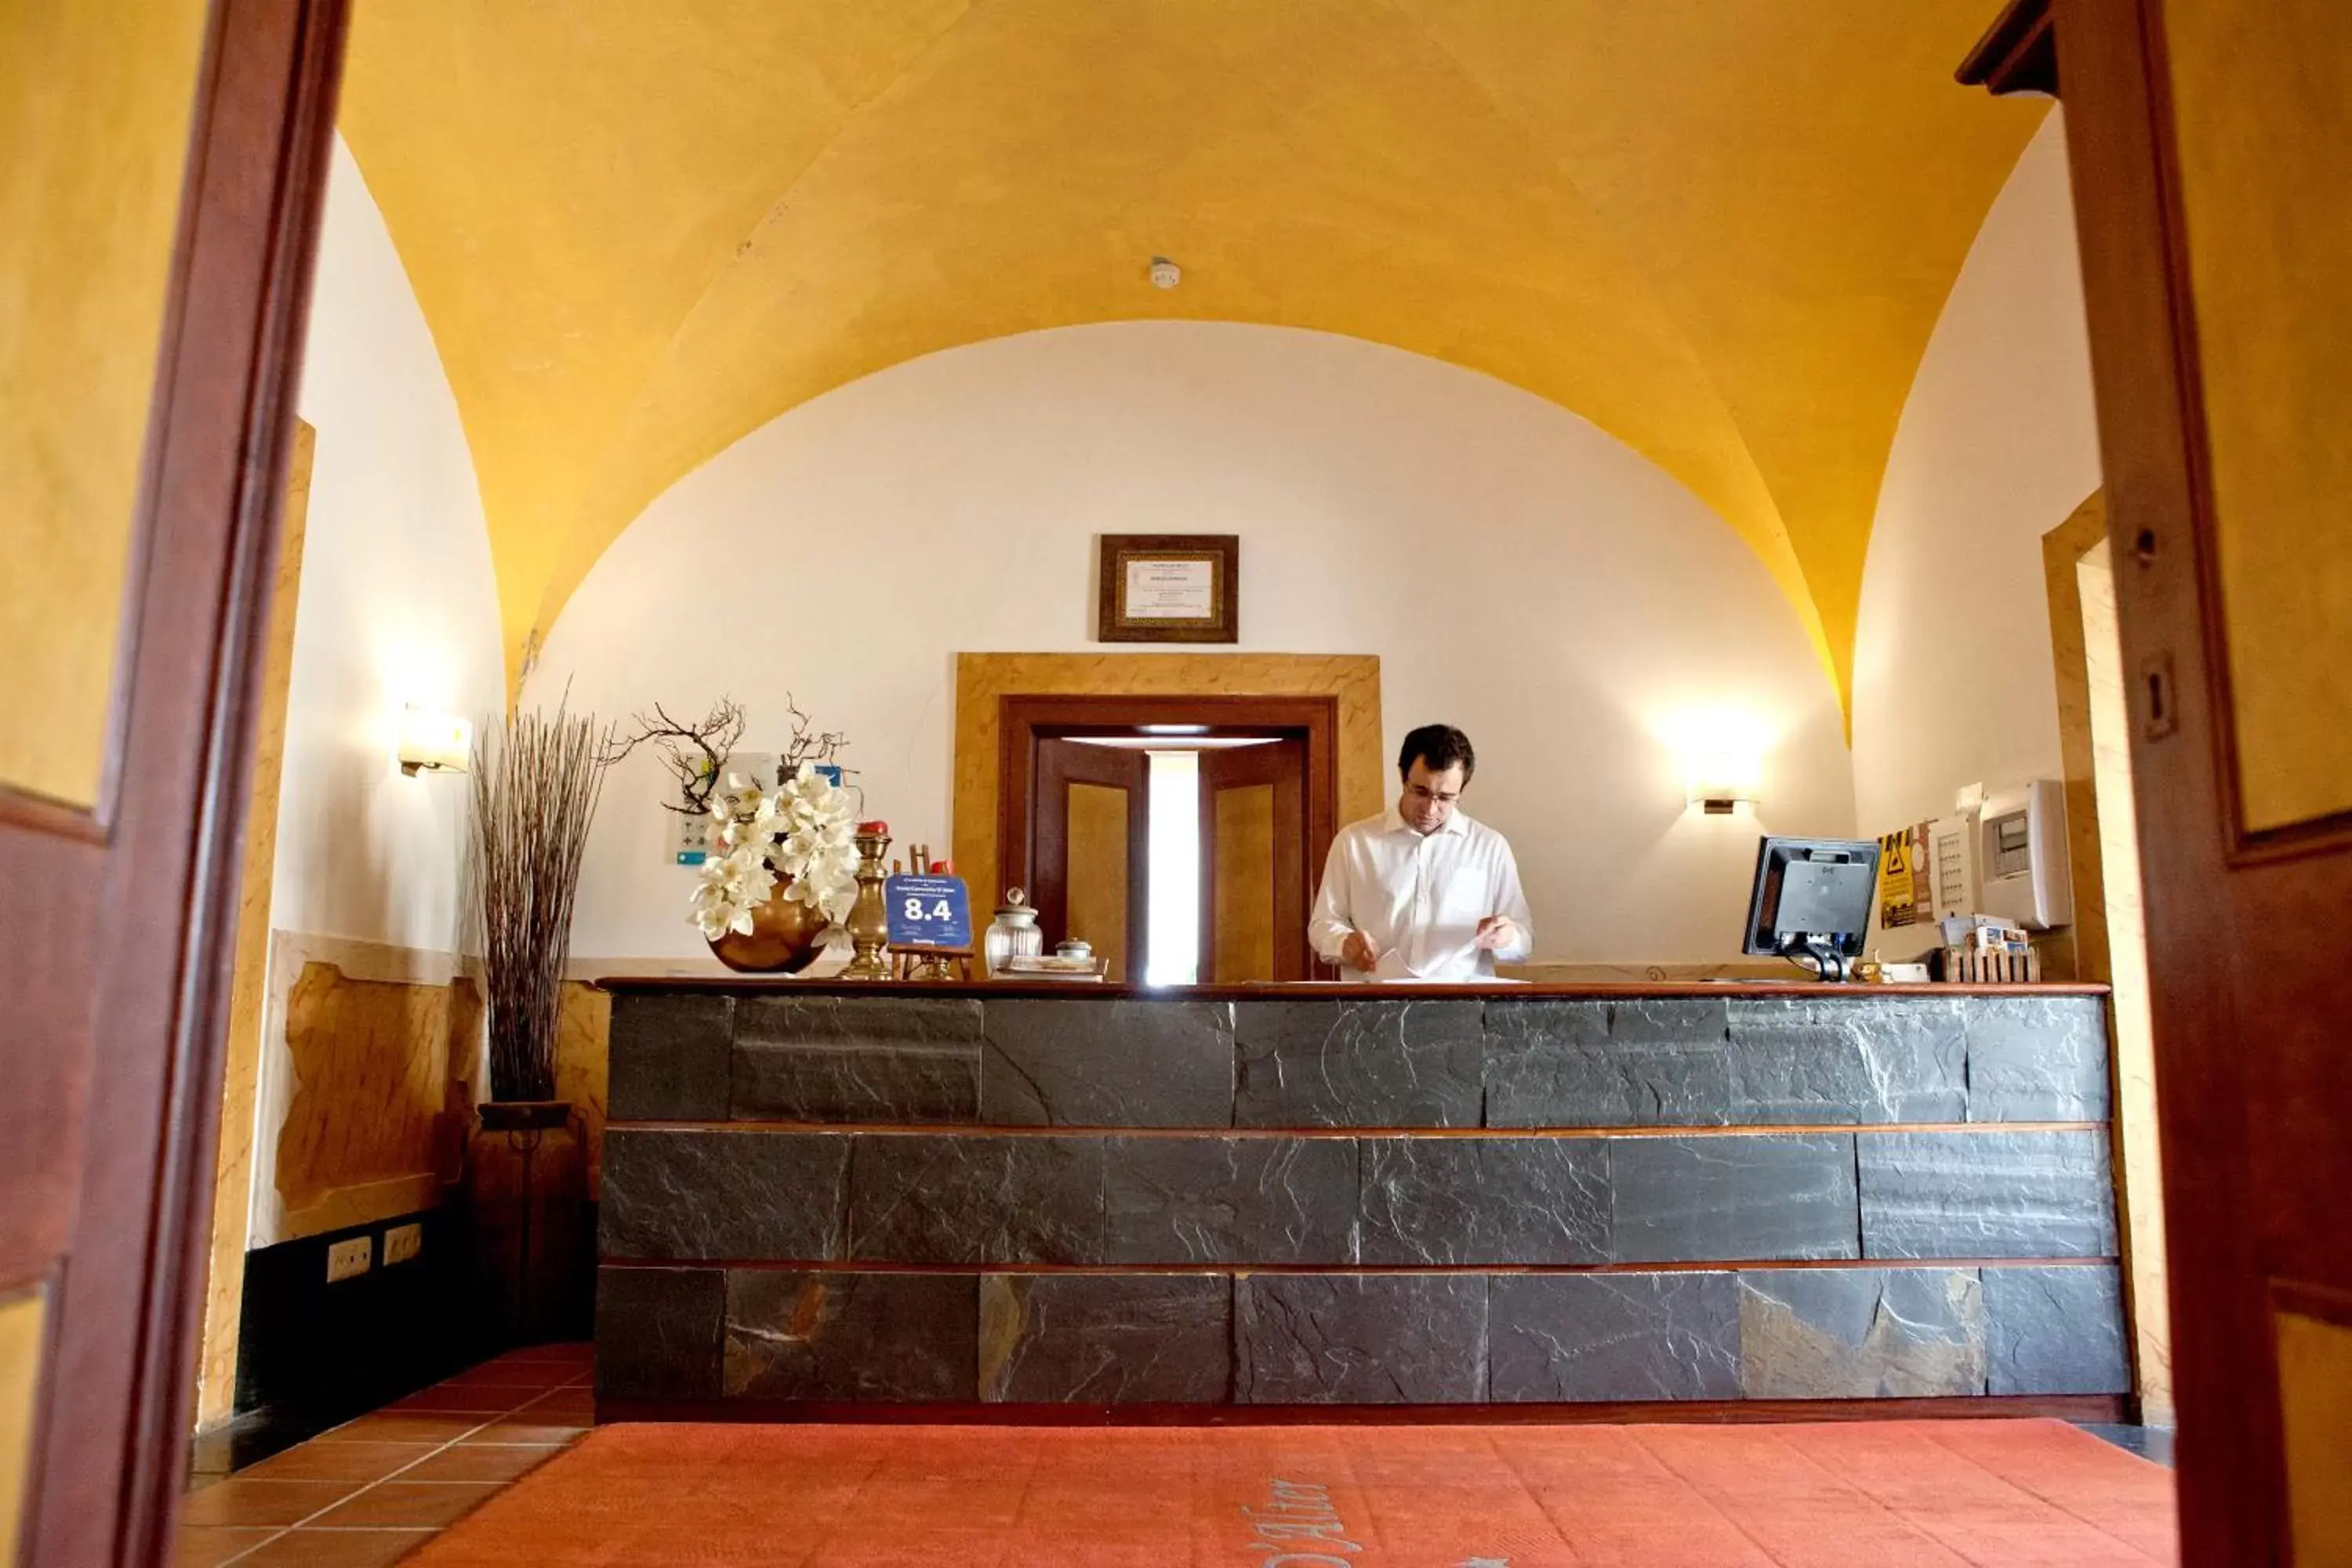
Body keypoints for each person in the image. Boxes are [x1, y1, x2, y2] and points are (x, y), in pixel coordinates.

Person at [1308, 724, 1533, 981]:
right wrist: (1343, 943)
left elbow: (1524, 941)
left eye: (1446, 798)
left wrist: (1507, 937)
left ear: (1462, 791)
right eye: (1421, 792)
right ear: (1403, 777)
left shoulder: (1489, 847)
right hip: (1373, 1008)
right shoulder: (1354, 842)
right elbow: (1322, 925)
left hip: (1460, 1009)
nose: (1430, 809)